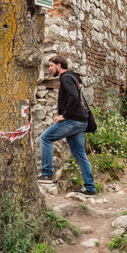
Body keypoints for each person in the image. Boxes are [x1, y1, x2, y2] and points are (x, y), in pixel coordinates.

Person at [38, 55, 96, 195]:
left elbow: (73, 97)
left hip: (73, 121)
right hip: (81, 121)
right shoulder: (72, 77)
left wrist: (64, 115)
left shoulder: (65, 78)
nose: (49, 69)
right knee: (80, 155)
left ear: (59, 65)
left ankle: (46, 173)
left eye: (51, 66)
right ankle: (90, 188)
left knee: (45, 138)